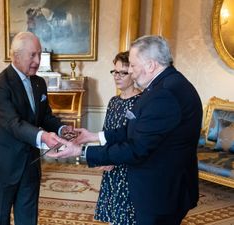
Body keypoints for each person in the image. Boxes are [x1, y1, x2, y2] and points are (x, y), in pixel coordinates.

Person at [48, 35, 203, 225]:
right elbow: (134, 129)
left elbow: (136, 148)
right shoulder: (165, 85)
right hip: (163, 186)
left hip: (160, 192)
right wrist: (94, 136)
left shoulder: (164, 94)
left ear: (151, 65)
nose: (131, 71)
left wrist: (81, 151)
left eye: (133, 66)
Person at [0, 32, 66, 225]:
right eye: (32, 55)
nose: (37, 61)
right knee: (0, 220)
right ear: (15, 56)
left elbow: (45, 116)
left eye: (39, 54)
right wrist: (43, 137)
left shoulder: (39, 82)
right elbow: (13, 123)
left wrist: (62, 130)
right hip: (2, 166)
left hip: (30, 165)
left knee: (28, 219)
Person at [94, 51, 141, 225]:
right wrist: (104, 156)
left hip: (128, 167)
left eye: (123, 72)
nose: (117, 76)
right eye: (115, 71)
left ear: (134, 73)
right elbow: (106, 131)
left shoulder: (141, 101)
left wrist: (115, 158)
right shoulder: (113, 101)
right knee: (114, 213)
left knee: (127, 215)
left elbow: (135, 139)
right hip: (111, 164)